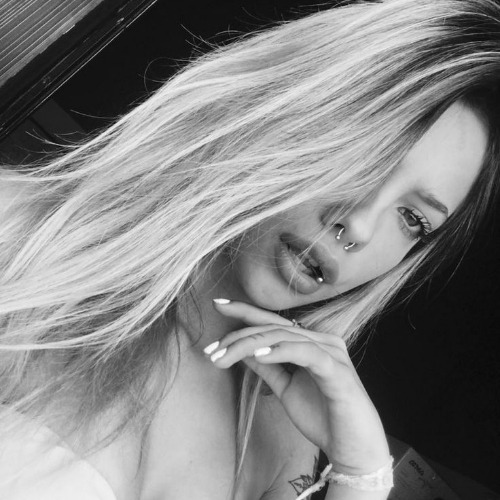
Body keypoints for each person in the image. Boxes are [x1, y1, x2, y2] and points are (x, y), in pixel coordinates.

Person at [1, 0, 500, 499]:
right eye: (367, 157)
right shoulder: (22, 239)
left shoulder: (284, 435)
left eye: (413, 219)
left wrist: (363, 474)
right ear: (282, 110)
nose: (360, 226)